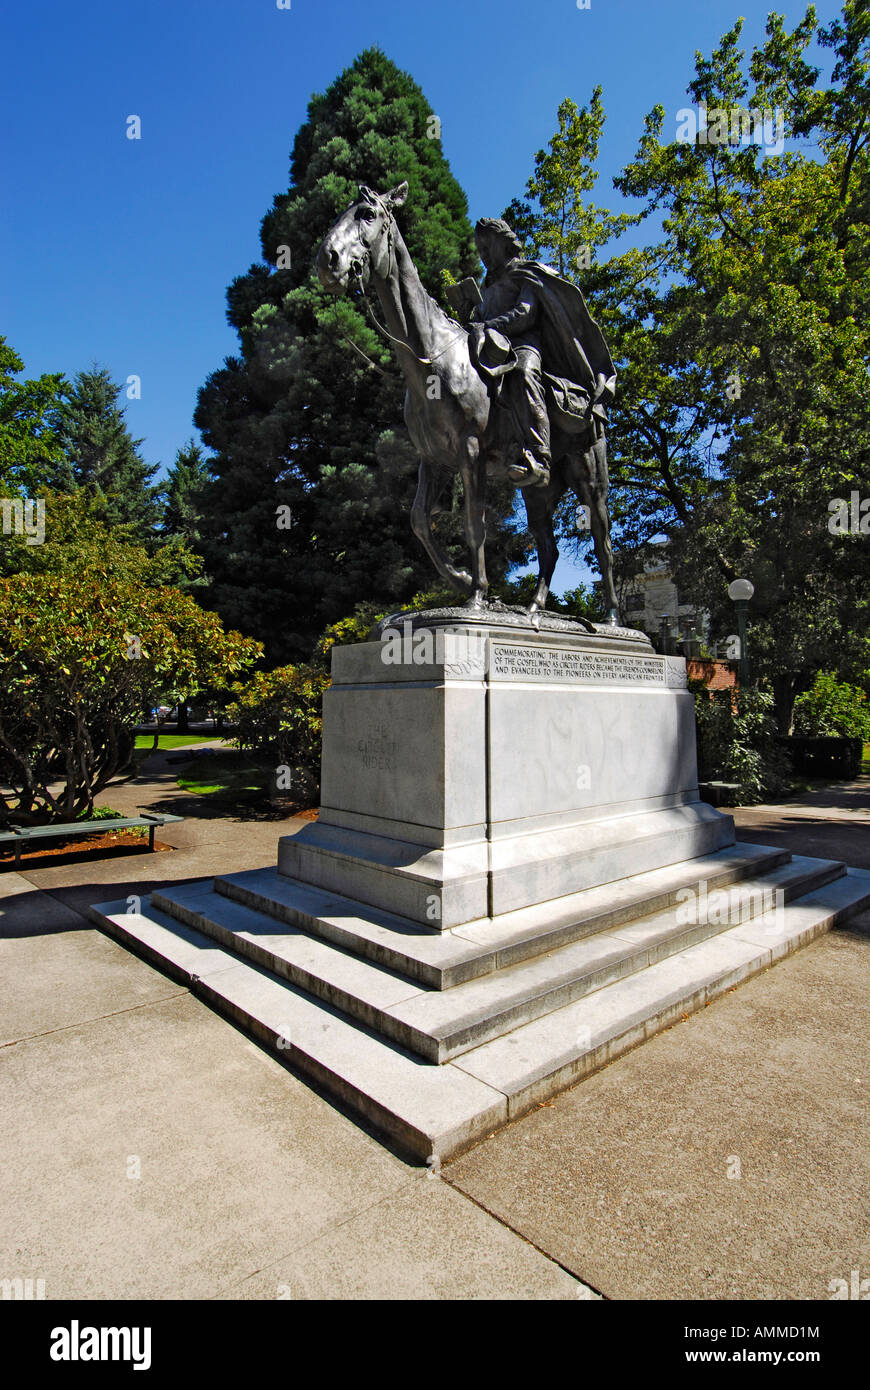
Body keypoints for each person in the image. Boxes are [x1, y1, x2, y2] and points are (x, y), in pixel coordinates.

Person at [467, 218, 616, 488]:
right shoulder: (486, 285)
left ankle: (539, 454)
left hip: (524, 344)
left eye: (487, 248)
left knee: (524, 373)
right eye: (480, 252)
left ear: (502, 243)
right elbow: (481, 316)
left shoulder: (524, 272)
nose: (484, 256)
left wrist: (489, 324)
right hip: (492, 348)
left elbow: (525, 313)